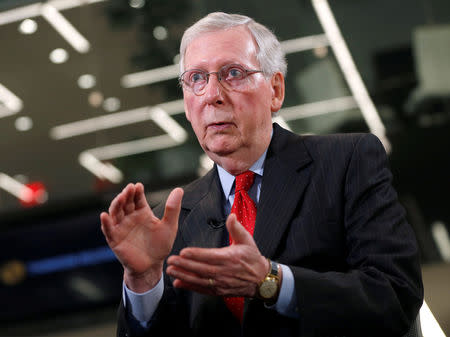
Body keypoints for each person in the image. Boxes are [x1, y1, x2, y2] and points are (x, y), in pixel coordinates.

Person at [100, 12, 423, 337]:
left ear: (275, 90)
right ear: (186, 103)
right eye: (196, 78)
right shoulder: (170, 222)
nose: (213, 94)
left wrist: (272, 283)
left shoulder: (346, 162)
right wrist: (143, 281)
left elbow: (395, 295)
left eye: (234, 73)